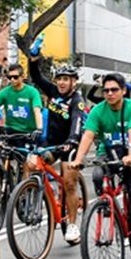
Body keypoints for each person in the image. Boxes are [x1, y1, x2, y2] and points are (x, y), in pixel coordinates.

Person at [69, 73, 131, 259]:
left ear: (123, 91)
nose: (109, 93)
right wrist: (78, 160)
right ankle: (106, 204)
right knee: (97, 175)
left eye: (114, 90)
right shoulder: (98, 110)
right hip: (107, 152)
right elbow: (88, 136)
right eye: (106, 90)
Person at [28, 56, 86, 242]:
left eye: (66, 79)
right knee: (32, 164)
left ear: (73, 82)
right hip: (52, 144)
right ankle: (42, 194)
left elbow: (77, 120)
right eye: (59, 78)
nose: (61, 82)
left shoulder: (77, 100)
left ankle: (72, 225)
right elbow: (36, 77)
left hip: (70, 145)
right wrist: (33, 60)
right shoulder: (52, 92)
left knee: (69, 184)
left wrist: (72, 139)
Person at [0, 64, 43, 144]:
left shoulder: (32, 92)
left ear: (22, 76)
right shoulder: (5, 92)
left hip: (29, 133)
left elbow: (37, 111)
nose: (12, 79)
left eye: (15, 77)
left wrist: (39, 129)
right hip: (10, 132)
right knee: (1, 150)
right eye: (10, 77)